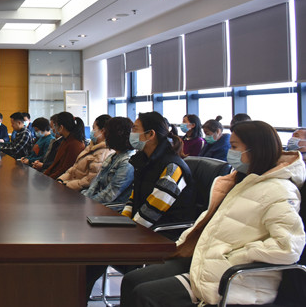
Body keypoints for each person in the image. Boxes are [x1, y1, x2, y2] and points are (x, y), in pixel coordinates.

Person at [121, 120, 305, 307]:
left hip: (237, 278)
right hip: (208, 259)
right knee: (132, 280)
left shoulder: (280, 190)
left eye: (234, 147)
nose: (230, 152)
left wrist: (236, 256)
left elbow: (288, 247)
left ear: (256, 150)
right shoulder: (241, 181)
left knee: (146, 294)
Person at [122, 111, 195, 230]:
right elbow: (133, 199)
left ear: (150, 134)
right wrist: (122, 221)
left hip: (162, 233)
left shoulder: (172, 168)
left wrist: (126, 231)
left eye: (135, 129)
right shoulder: (143, 161)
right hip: (142, 228)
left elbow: (151, 212)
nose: (131, 134)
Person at [82, 116, 135, 205]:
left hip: (112, 206)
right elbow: (96, 181)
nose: (105, 136)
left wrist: (89, 203)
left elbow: (110, 194)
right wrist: (86, 198)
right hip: (98, 202)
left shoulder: (127, 162)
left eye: (107, 133)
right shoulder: (113, 156)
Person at [57, 114, 113, 191]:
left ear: (102, 131)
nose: (92, 131)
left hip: (77, 191)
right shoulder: (91, 147)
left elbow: (88, 181)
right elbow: (74, 168)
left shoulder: (103, 154)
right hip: (70, 186)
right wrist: (61, 179)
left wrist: (66, 184)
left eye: (94, 128)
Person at [43, 112, 86, 178]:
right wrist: (44, 175)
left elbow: (65, 170)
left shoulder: (75, 144)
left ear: (61, 127)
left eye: (55, 126)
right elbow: (55, 164)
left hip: (61, 180)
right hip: (54, 177)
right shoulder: (66, 140)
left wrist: (48, 178)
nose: (54, 129)